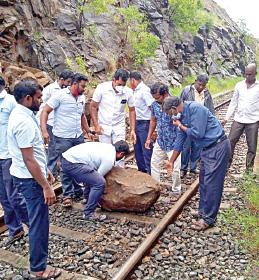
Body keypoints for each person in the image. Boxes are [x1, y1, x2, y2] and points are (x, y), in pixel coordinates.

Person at [7, 80, 61, 279]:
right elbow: (28, 159)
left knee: (36, 220)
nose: (41, 100)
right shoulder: (23, 122)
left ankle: (37, 260)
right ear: (28, 98)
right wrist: (46, 186)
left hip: (28, 175)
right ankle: (39, 268)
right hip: (30, 180)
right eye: (38, 97)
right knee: (39, 223)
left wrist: (45, 169)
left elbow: (34, 154)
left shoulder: (21, 114)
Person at [163, 96, 230, 231]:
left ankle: (208, 219)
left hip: (217, 147)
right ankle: (203, 212)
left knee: (212, 184)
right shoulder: (181, 116)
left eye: (170, 113)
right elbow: (180, 141)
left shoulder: (195, 109)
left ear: (174, 108)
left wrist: (181, 126)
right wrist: (171, 161)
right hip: (206, 149)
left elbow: (198, 134)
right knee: (204, 182)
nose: (171, 117)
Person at [41, 73, 92, 208]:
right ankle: (67, 195)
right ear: (74, 84)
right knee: (65, 166)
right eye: (82, 86)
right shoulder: (60, 95)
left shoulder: (81, 97)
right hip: (62, 137)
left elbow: (81, 116)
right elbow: (45, 111)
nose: (84, 89)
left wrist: (87, 131)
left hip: (78, 136)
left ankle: (78, 190)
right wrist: (45, 131)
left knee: (80, 164)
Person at [61, 140, 130, 221]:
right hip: (72, 163)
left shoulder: (107, 147)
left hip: (67, 158)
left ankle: (87, 199)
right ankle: (89, 213)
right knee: (99, 183)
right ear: (121, 153)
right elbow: (98, 176)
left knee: (92, 175)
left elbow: (92, 176)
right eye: (123, 156)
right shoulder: (109, 159)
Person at [0, 77, 29, 247]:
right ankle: (15, 229)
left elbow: (19, 127)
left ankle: (33, 225)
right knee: (3, 197)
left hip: (9, 156)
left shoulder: (11, 102)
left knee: (14, 196)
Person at [90, 69, 136, 167]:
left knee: (121, 153)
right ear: (113, 80)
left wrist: (132, 130)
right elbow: (93, 107)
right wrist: (96, 125)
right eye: (119, 84)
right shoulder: (102, 88)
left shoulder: (128, 92)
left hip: (118, 126)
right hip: (104, 125)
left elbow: (132, 110)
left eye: (123, 85)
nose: (121, 87)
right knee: (105, 153)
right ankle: (106, 175)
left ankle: (120, 176)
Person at [145, 83, 181, 195]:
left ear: (164, 93)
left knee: (175, 168)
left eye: (157, 97)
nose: (156, 100)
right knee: (154, 164)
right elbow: (153, 120)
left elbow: (181, 121)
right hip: (160, 141)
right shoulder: (154, 105)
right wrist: (148, 137)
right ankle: (156, 187)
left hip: (174, 142)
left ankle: (176, 189)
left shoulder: (175, 103)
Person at [222, 63, 259, 171]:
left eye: (250, 74)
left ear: (255, 74)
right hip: (239, 119)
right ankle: (227, 165)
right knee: (230, 142)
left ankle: (249, 170)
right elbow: (233, 102)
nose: (247, 77)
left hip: (253, 120)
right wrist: (226, 117)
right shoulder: (239, 85)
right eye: (246, 74)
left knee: (252, 146)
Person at [38, 69, 74, 179]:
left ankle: (60, 172)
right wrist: (41, 126)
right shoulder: (49, 89)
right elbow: (41, 106)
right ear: (61, 80)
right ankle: (51, 174)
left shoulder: (68, 90)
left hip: (62, 124)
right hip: (51, 123)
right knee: (52, 150)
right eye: (68, 82)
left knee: (62, 150)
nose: (69, 84)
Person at [180, 74, 214, 178]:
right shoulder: (186, 91)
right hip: (188, 123)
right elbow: (179, 105)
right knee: (186, 146)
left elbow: (210, 109)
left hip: (200, 125)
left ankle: (193, 168)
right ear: (195, 81)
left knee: (197, 147)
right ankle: (183, 168)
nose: (200, 87)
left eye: (203, 85)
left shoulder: (207, 93)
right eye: (199, 84)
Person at [129, 71, 154, 174]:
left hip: (144, 123)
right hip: (136, 123)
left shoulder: (144, 90)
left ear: (133, 80)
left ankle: (149, 172)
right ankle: (141, 171)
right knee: (137, 148)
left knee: (146, 149)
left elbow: (151, 107)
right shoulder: (134, 91)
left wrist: (154, 126)